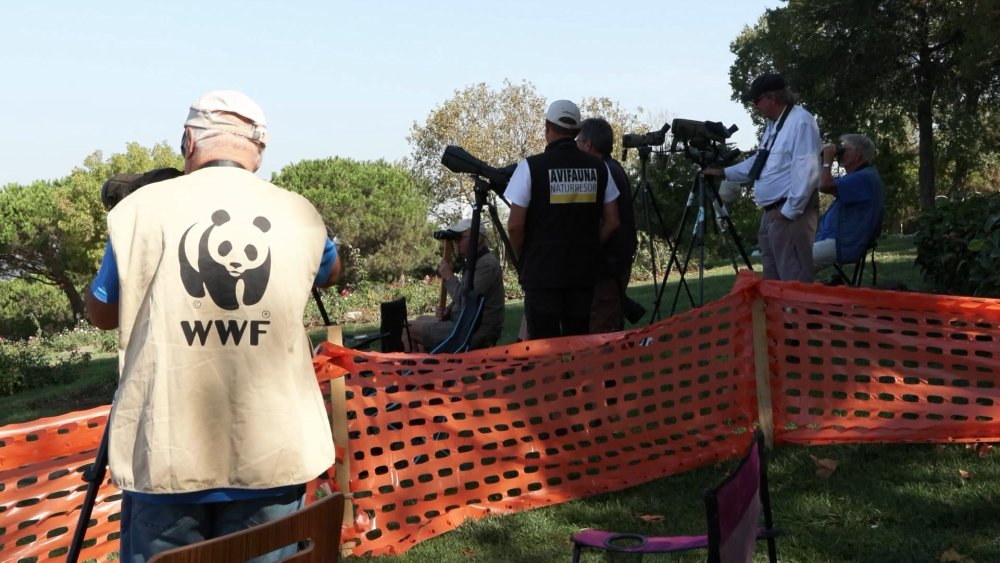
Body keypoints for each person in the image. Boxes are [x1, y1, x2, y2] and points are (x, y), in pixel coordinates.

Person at [85, 90, 341, 563]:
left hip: (166, 457)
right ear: (258, 152)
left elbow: (102, 313)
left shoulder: (140, 209)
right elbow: (330, 271)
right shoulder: (299, 212)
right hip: (272, 458)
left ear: (188, 140)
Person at [506, 100, 620, 340]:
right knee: (578, 343)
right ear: (577, 131)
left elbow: (515, 226)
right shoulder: (600, 168)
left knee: (543, 345)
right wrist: (589, 246)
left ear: (547, 128)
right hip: (582, 272)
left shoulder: (530, 167)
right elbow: (612, 221)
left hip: (541, 273)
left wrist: (524, 257)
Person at [706, 72, 821, 282]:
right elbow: (760, 162)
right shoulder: (773, 126)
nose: (754, 106)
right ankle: (778, 305)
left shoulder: (801, 121)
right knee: (773, 278)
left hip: (790, 212)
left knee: (794, 277)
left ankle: (795, 306)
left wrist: (788, 212)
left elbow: (807, 171)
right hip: (773, 211)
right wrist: (724, 172)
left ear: (772, 98)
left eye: (757, 100)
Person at [576, 117, 637, 333]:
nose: (575, 146)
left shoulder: (601, 171)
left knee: (601, 328)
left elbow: (610, 222)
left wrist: (588, 248)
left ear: (588, 144)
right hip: (617, 260)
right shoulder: (613, 167)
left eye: (578, 141)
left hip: (607, 264)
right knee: (611, 320)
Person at [408, 218, 505, 351]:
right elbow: (465, 296)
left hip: (472, 332)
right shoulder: (474, 262)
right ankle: (427, 362)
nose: (456, 243)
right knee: (420, 319)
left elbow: (469, 303)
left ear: (477, 239)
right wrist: (447, 311)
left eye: (459, 238)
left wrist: (449, 276)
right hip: (464, 325)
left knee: (407, 328)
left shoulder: (486, 265)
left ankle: (409, 365)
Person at [813, 133, 885, 277]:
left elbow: (824, 185)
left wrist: (827, 162)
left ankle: (795, 290)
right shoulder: (863, 176)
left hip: (843, 242)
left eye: (844, 150)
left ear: (857, 155)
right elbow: (824, 183)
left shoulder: (864, 177)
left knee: (792, 262)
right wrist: (823, 162)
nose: (840, 154)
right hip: (839, 239)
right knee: (790, 258)